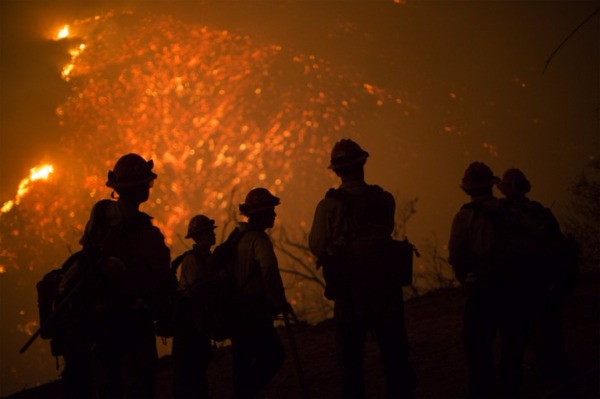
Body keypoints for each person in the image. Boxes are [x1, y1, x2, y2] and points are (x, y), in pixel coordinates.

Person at [309, 138, 415, 398]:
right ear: (363, 163)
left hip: (349, 291)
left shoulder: (327, 207)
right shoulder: (385, 199)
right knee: (394, 355)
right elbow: (387, 230)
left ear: (335, 170)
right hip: (386, 289)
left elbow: (317, 245)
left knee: (351, 362)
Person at [91, 153, 171, 398]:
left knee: (110, 386)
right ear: (142, 189)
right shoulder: (149, 235)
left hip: (99, 318)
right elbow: (162, 280)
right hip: (134, 320)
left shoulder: (100, 213)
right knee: (141, 383)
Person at [449, 162, 531, 398]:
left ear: (467, 188)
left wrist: (469, 283)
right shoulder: (511, 211)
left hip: (483, 293)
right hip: (514, 289)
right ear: (492, 185)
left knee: (477, 349)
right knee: (512, 348)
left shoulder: (466, 216)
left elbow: (457, 255)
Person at [497, 168, 572, 384]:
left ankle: (516, 384)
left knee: (514, 340)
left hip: (515, 285)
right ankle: (555, 379)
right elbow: (558, 247)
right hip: (542, 283)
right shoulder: (541, 212)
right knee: (549, 336)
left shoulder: (499, 214)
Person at [229, 187, 288, 398]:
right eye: (271, 210)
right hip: (254, 309)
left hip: (235, 309)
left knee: (242, 360)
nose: (274, 214)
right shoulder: (259, 241)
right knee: (274, 355)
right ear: (261, 213)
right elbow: (269, 273)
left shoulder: (236, 237)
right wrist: (279, 302)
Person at [171, 214, 217, 399]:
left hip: (197, 321)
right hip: (188, 322)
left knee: (198, 369)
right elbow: (198, 290)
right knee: (188, 372)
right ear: (199, 236)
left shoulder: (206, 258)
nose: (213, 236)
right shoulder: (192, 260)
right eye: (209, 233)